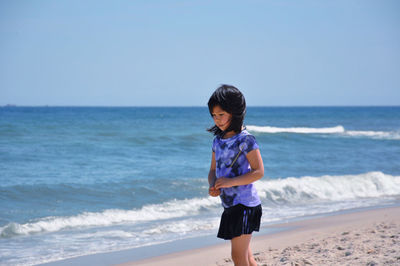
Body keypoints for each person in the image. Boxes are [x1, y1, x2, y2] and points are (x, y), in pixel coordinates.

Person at [207, 84, 264, 266]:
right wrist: (213, 184)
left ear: (234, 112)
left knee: (238, 257)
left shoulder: (245, 140)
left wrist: (231, 182)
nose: (217, 119)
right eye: (214, 115)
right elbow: (213, 170)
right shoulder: (218, 141)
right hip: (230, 206)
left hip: (245, 205)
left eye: (221, 114)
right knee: (247, 257)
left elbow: (258, 172)